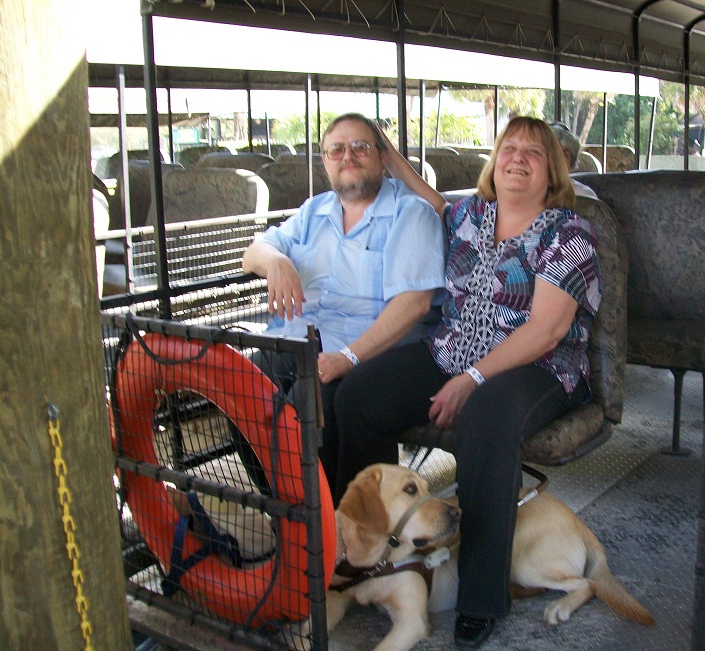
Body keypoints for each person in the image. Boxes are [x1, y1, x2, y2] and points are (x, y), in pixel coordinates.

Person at [333, 117, 602, 648]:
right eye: (509, 148)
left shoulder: (570, 232)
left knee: (486, 416)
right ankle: (373, 555)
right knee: (358, 397)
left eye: (533, 152)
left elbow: (547, 330)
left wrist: (473, 378)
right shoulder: (470, 215)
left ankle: (482, 595)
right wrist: (387, 154)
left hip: (538, 368)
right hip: (452, 353)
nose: (517, 158)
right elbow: (433, 200)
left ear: (553, 172)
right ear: (494, 162)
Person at [241, 112, 445, 486]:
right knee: (242, 387)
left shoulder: (410, 213)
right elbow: (253, 252)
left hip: (365, 350)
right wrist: (277, 261)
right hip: (296, 339)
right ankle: (284, 505)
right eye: (336, 150)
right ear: (325, 162)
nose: (347, 156)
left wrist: (346, 357)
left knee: (306, 407)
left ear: (383, 157)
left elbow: (413, 304)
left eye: (360, 147)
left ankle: (333, 523)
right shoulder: (313, 210)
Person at [548, 122, 599, 199]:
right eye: (552, 154)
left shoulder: (584, 195)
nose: (558, 160)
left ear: (571, 162)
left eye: (564, 155)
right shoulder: (527, 193)